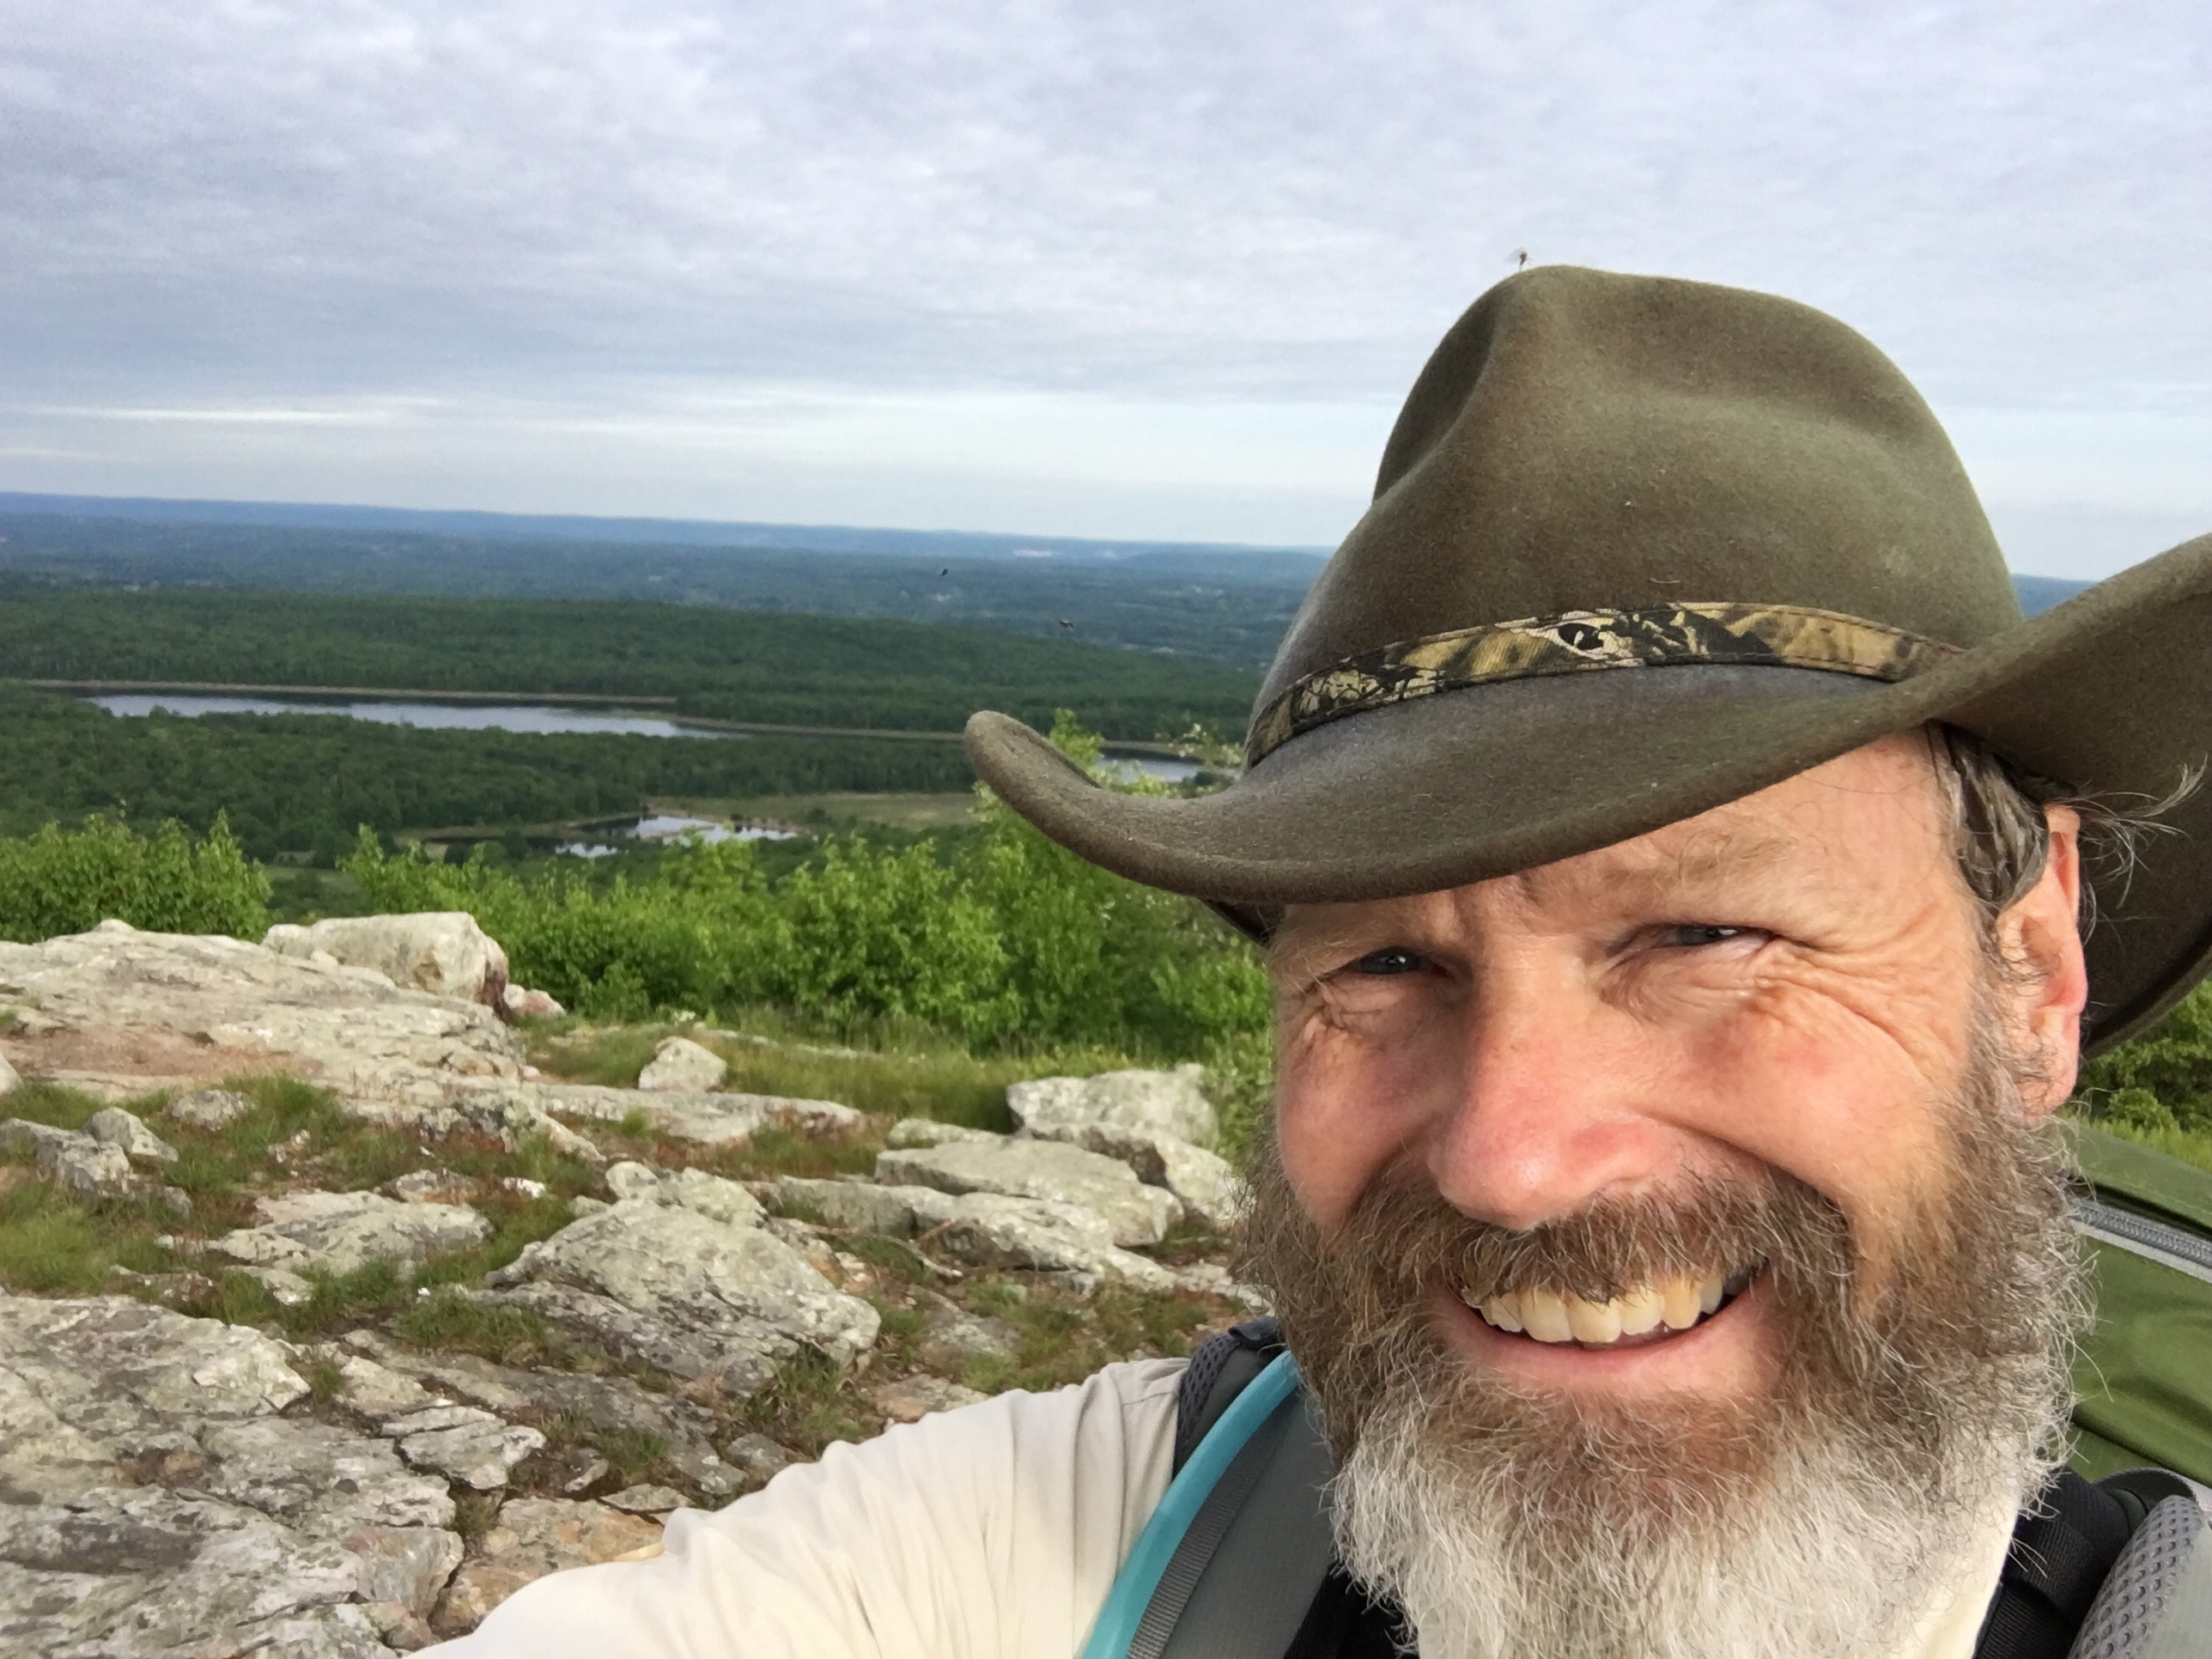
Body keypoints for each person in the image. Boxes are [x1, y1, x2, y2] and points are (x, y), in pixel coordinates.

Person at [437, 266, 2212, 1658]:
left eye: (1701, 933)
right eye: (1382, 967)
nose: (1508, 1159)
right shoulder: (1090, 1544)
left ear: (2031, 971)